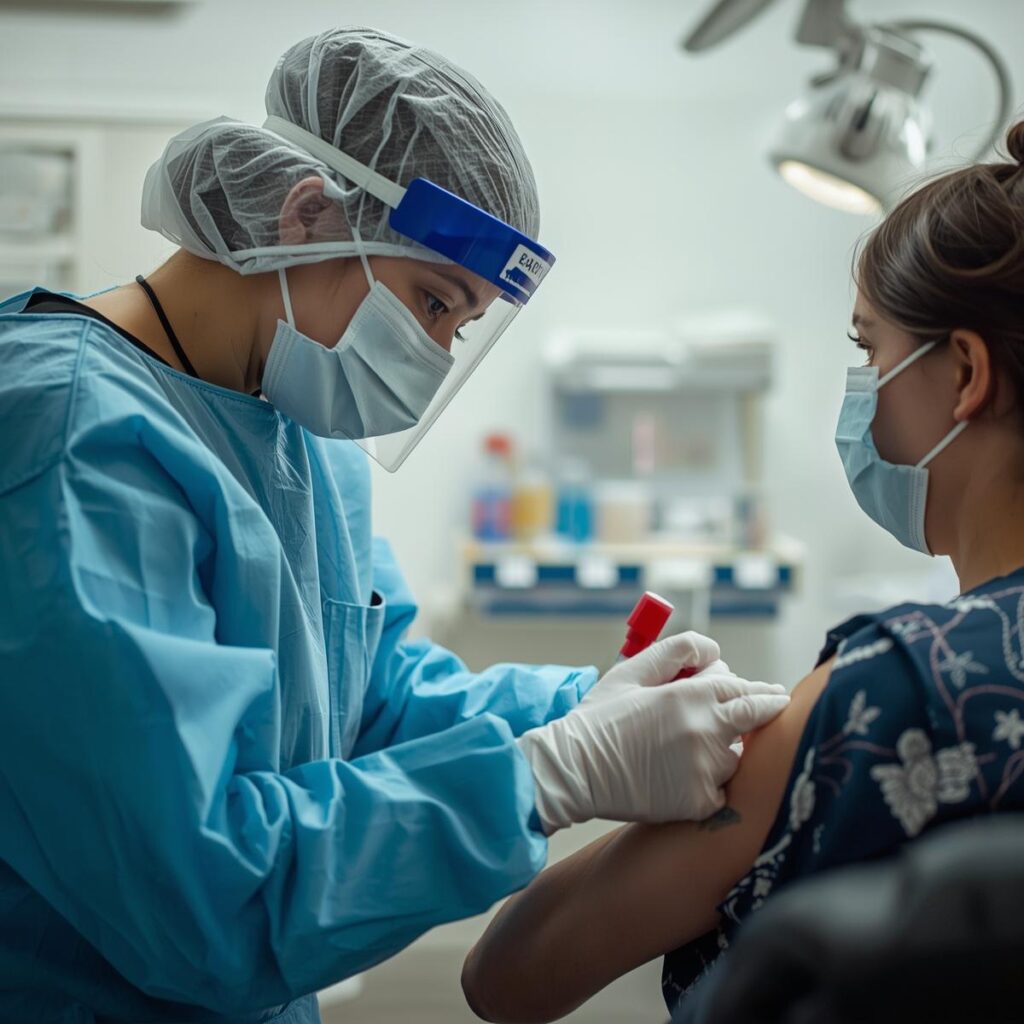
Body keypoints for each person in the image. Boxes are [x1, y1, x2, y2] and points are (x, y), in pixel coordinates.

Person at [0, 27, 789, 1024]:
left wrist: (579, 707)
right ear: (305, 216)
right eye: (430, 301)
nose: (431, 358)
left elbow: (365, 695)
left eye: (457, 327)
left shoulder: (297, 432)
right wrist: (548, 773)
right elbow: (200, 895)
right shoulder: (69, 439)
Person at [461, 119, 1024, 1024]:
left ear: (963, 372)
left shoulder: (894, 691)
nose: (861, 390)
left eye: (868, 352)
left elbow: (506, 978)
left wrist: (586, 776)